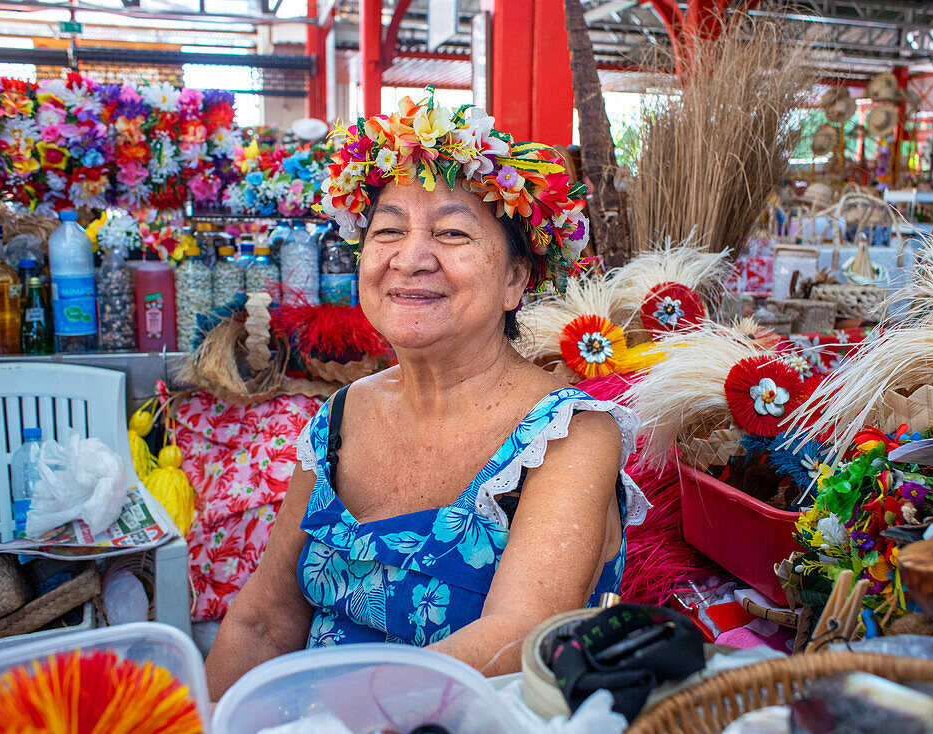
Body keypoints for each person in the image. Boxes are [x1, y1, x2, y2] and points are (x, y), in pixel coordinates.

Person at [206, 87, 648, 699]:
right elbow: (262, 622)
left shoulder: (570, 436)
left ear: (516, 281)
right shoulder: (339, 418)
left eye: (453, 234)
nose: (411, 258)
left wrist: (341, 716)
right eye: (388, 231)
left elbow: (515, 636)